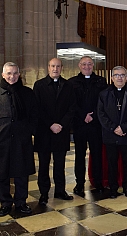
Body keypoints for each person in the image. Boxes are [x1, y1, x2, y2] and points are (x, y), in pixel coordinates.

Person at [33, 58, 77, 205]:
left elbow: (72, 108)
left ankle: (60, 190)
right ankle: (44, 193)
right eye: (52, 66)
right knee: (44, 164)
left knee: (60, 164)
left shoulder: (68, 86)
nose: (55, 69)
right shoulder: (39, 85)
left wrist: (61, 124)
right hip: (44, 132)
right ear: (48, 67)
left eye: (58, 66)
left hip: (61, 132)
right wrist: (51, 124)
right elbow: (37, 109)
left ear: (62, 68)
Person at [0, 62, 38, 216]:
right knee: (2, 173)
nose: (12, 76)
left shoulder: (27, 93)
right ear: (3, 75)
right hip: (2, 141)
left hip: (22, 140)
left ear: (19, 74)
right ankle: (5, 203)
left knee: (21, 173)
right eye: (9, 73)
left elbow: (35, 116)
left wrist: (28, 131)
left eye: (15, 73)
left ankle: (21, 202)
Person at [97, 66, 127, 198]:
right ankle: (113, 188)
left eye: (122, 75)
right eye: (116, 75)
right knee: (112, 163)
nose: (119, 78)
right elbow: (101, 114)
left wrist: (124, 128)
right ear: (112, 78)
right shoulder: (104, 94)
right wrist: (113, 128)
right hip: (110, 135)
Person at [68, 56, 107, 196]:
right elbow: (71, 103)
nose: (87, 66)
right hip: (79, 124)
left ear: (93, 65)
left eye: (89, 64)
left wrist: (93, 115)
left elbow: (103, 102)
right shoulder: (72, 82)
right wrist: (83, 115)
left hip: (96, 124)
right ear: (79, 65)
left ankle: (98, 182)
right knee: (79, 155)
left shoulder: (101, 81)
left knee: (97, 154)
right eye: (84, 64)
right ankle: (79, 183)